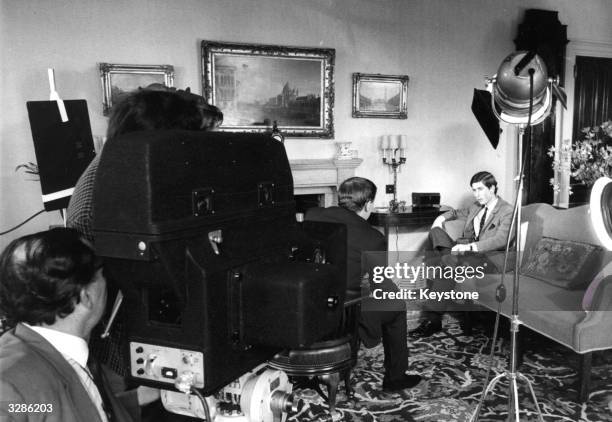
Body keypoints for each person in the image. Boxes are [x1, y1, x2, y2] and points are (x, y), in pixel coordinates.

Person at [0, 228, 155, 421]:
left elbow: (67, 409)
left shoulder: (68, 352)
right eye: (102, 274)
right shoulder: (9, 384)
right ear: (86, 296)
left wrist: (140, 397)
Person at [306, 177, 422, 392]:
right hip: (346, 309)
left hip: (309, 301)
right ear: (368, 204)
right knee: (397, 305)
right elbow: (380, 285)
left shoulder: (313, 215)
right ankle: (395, 378)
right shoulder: (372, 237)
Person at [409, 171, 514, 338]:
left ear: (492, 188)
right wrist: (440, 219)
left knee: (446, 266)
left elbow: (501, 240)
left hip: (489, 259)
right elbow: (455, 212)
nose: (477, 194)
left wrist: (472, 247)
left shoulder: (507, 211)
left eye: (480, 189)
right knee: (436, 232)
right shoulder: (476, 206)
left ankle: (433, 319)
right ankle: (449, 259)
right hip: (467, 255)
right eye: (474, 190)